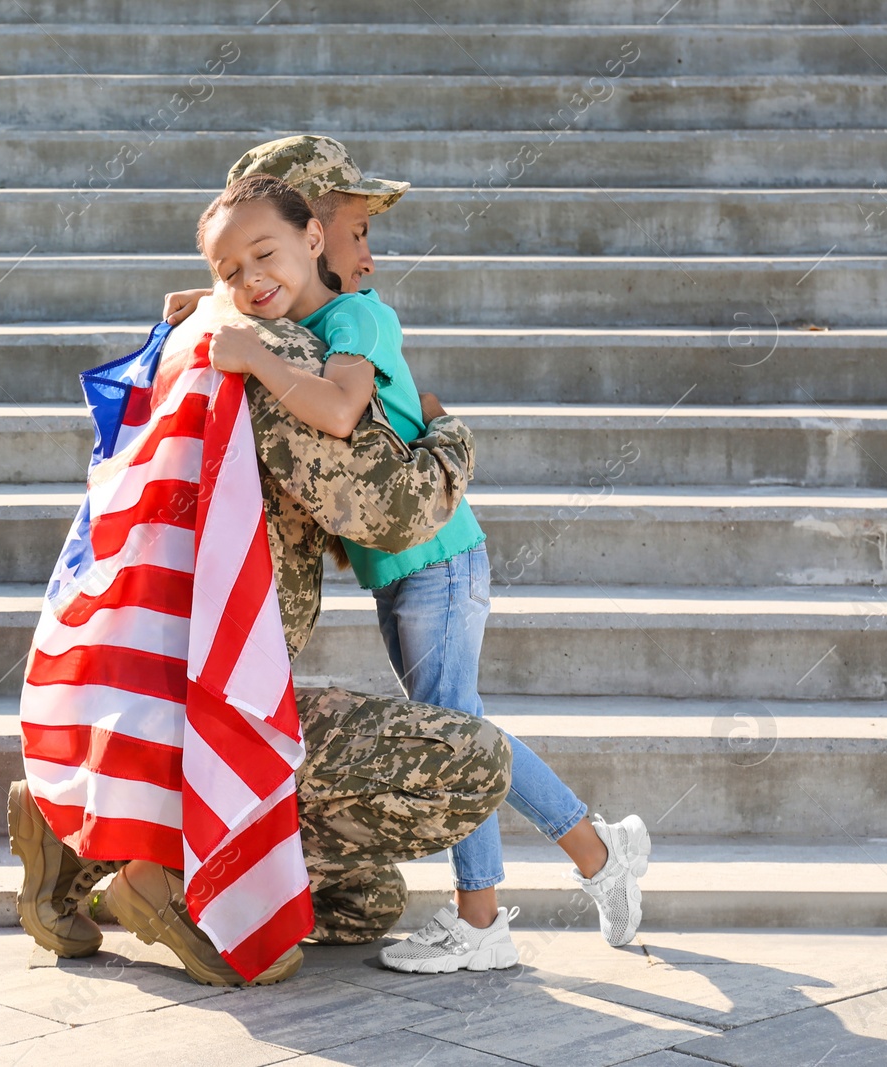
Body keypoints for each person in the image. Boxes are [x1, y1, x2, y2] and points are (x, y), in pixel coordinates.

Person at [166, 135, 651, 973]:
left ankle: (507, 907)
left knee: (456, 729)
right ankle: (584, 859)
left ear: (300, 240)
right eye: (359, 228)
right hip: (411, 568)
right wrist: (218, 306)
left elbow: (345, 411)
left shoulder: (352, 314)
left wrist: (242, 345)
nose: (371, 249)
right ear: (313, 226)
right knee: (457, 723)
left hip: (435, 558)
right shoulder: (309, 314)